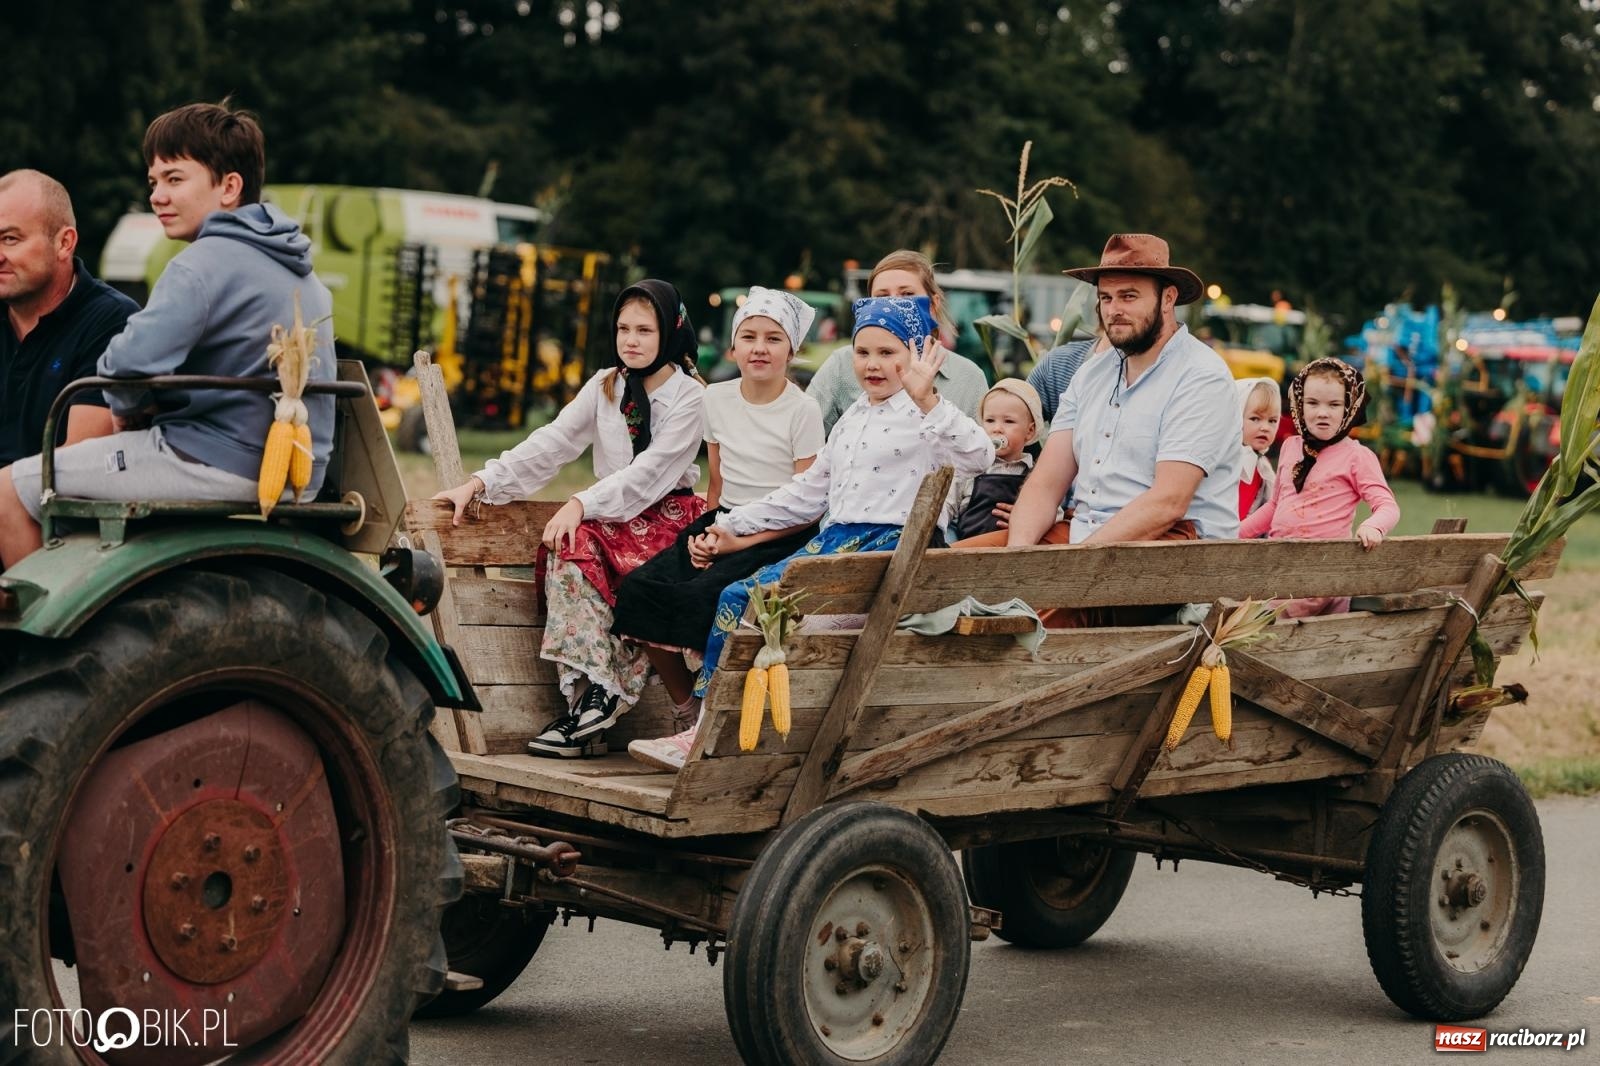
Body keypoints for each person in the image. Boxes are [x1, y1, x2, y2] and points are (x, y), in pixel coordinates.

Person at [0, 102, 335, 569]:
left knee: (9, 490)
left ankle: (37, 638)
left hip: (213, 460)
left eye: (175, 179)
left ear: (229, 187)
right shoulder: (297, 265)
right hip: (294, 465)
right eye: (154, 181)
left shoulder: (202, 264)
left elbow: (125, 365)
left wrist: (130, 413)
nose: (157, 195)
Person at [670, 295, 993, 763]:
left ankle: (720, 737)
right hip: (837, 543)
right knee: (739, 597)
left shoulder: (928, 416)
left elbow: (980, 456)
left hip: (888, 550)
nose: (873, 365)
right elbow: (807, 493)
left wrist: (928, 397)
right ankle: (711, 730)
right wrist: (731, 522)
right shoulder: (853, 418)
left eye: (889, 353)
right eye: (863, 353)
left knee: (767, 612)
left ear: (918, 354)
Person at [434, 280, 707, 758]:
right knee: (569, 546)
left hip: (665, 516)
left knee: (595, 544)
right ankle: (590, 699)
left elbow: (652, 473)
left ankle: (610, 695)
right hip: (609, 516)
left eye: (645, 329)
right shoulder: (606, 385)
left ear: (670, 332)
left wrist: (581, 503)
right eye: (623, 328)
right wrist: (480, 483)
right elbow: (551, 443)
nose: (631, 340)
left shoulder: (689, 397)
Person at [957, 233, 1239, 626]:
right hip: (1082, 534)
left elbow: (1168, 503)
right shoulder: (1093, 373)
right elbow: (1047, 481)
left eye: (1129, 296)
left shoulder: (1200, 376)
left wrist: (1070, 569)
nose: (1114, 310)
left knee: (1013, 624)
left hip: (1169, 552)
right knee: (941, 578)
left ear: (1168, 298)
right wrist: (1016, 561)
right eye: (1106, 298)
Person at [616, 287, 824, 770]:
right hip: (723, 518)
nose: (759, 348)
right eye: (748, 336)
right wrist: (706, 535)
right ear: (732, 348)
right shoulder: (718, 400)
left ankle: (712, 721)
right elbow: (717, 481)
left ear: (791, 350)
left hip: (778, 531)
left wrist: (738, 541)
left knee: (709, 597)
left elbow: (806, 506)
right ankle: (686, 708)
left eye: (774, 339)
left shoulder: (802, 411)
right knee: (638, 590)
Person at [1240, 358, 1400, 617]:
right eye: (1312, 403)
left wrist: (1374, 525)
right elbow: (1275, 505)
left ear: (1349, 409)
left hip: (1321, 572)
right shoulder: (1291, 447)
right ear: (1299, 406)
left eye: (1334, 404)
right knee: (1239, 597)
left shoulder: (1356, 456)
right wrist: (1236, 533)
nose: (1322, 412)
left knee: (1259, 615)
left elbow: (1387, 505)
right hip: (1278, 562)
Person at [0, 170, 137, 469]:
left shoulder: (113, 322)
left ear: (64, 243)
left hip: (54, 510)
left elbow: (82, 463)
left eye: (10, 239)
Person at [806, 250, 988, 435]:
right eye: (883, 296)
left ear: (933, 305)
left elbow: (986, 453)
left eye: (907, 294)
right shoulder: (842, 364)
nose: (893, 304)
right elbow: (804, 435)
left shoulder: (968, 378)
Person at [948, 379, 1051, 540]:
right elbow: (948, 504)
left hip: (1018, 548)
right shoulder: (971, 466)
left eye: (1009, 421)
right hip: (970, 547)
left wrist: (1033, 520)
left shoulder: (1036, 473)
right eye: (990, 421)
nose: (997, 428)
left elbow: (1052, 510)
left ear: (1030, 431)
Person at [1236, 376, 1280, 519]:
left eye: (1272, 420)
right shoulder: (1224, 461)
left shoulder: (1263, 468)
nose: (1265, 428)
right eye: (1255, 419)